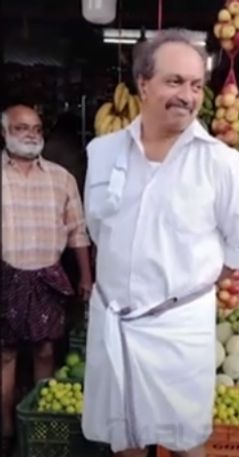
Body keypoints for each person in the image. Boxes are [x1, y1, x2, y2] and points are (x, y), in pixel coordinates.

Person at [80, 29, 239, 457]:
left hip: (179, 330)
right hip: (114, 323)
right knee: (123, 439)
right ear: (144, 83)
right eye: (174, 81)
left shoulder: (222, 163)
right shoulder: (103, 152)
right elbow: (96, 229)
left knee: (185, 440)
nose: (188, 95)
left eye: (196, 85)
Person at [1, 104, 94, 453]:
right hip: (6, 276)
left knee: (45, 350)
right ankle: (8, 430)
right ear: (5, 132)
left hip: (48, 276)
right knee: (6, 355)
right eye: (22, 127)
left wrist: (85, 276)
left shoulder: (61, 177)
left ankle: (39, 422)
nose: (31, 134)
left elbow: (78, 232)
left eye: (37, 128)